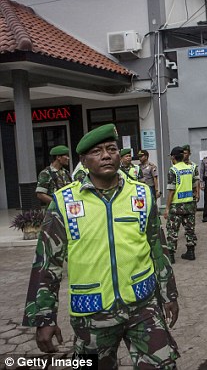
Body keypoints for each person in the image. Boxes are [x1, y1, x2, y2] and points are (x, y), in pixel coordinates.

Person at [23, 123, 179, 368]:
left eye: (112, 149)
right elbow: (46, 263)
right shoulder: (64, 202)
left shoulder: (142, 194)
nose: (106, 155)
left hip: (143, 306)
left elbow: (157, 247)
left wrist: (169, 293)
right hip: (92, 315)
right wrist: (43, 318)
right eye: (97, 151)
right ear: (83, 161)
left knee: (164, 365)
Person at [164, 146, 198, 262]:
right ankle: (191, 251)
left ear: (173, 157)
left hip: (177, 205)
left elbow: (171, 190)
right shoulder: (190, 168)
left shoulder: (173, 170)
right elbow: (194, 186)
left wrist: (167, 207)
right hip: (189, 203)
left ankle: (171, 255)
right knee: (190, 229)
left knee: (172, 229)